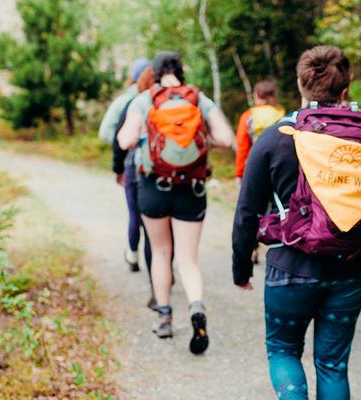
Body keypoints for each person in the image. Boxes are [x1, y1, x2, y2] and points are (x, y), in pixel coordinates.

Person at [232, 45, 361, 400]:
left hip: (291, 266)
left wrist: (241, 269)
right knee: (332, 364)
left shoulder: (276, 137)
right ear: (346, 89)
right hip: (352, 267)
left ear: (301, 84)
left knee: (284, 351)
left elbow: (246, 212)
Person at [116, 51, 234, 354]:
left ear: (154, 73)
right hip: (191, 188)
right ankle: (196, 307)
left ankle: (165, 317)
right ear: (181, 71)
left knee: (160, 251)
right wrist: (199, 137)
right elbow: (226, 138)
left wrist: (145, 134)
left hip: (154, 186)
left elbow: (124, 141)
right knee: (188, 258)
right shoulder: (198, 99)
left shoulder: (145, 100)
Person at [102, 58, 153, 275]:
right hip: (161, 169)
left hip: (133, 166)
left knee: (135, 214)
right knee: (155, 222)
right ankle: (159, 275)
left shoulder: (128, 101)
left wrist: (118, 167)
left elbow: (107, 134)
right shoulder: (166, 99)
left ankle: (132, 254)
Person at [234, 80, 286, 182]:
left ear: (256, 96)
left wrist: (239, 173)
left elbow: (242, 147)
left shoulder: (248, 116)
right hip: (280, 165)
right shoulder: (282, 114)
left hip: (255, 165)